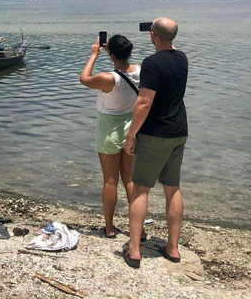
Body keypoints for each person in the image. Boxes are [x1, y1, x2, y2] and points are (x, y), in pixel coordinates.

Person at [122, 17, 188, 269]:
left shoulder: (151, 63)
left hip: (155, 132)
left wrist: (131, 136)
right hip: (179, 130)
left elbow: (144, 102)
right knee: (172, 187)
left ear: (153, 36)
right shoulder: (182, 58)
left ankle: (135, 249)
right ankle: (173, 248)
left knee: (140, 189)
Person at [80, 34, 140, 239]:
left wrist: (94, 55)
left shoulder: (107, 78)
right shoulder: (141, 70)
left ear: (111, 53)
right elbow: (125, 66)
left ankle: (109, 227)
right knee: (130, 180)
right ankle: (137, 229)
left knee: (110, 181)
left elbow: (84, 78)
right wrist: (113, 54)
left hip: (109, 130)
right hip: (132, 128)